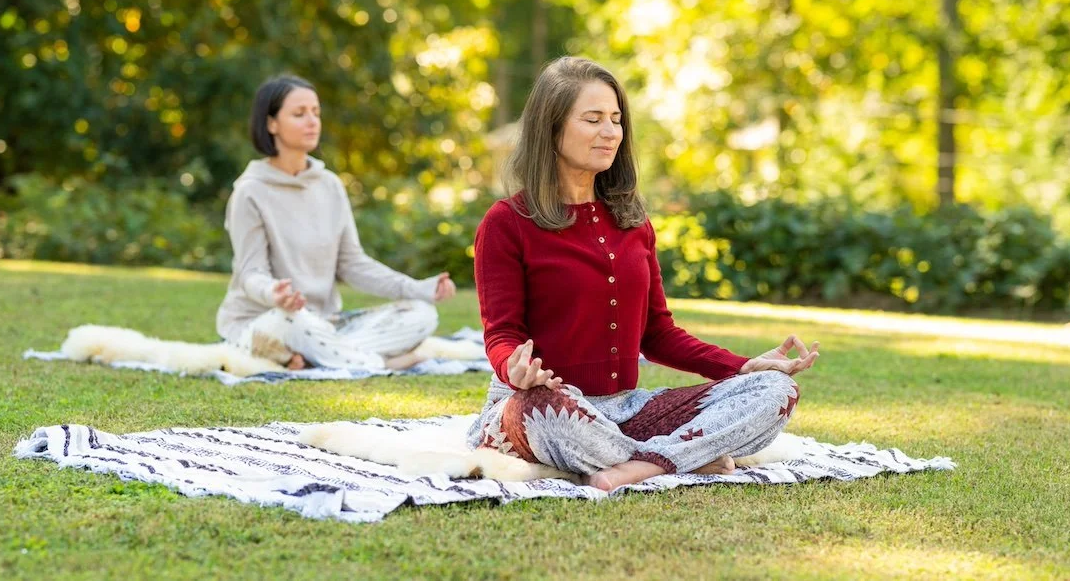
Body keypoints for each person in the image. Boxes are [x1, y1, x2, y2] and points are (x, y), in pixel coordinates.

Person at [467, 57, 819, 490]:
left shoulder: (632, 222)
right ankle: (688, 455)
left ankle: (647, 462)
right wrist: (513, 369)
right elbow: (501, 335)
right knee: (543, 410)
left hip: (628, 410)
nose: (610, 131)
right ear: (551, 128)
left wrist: (742, 365)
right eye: (593, 119)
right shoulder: (507, 222)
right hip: (547, 409)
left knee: (773, 390)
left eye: (616, 119)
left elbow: (658, 334)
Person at [216, 74, 457, 371]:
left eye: (316, 112)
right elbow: (250, 273)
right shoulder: (250, 191)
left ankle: (315, 359)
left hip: (325, 325)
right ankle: (383, 363)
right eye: (299, 114)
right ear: (271, 124)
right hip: (270, 321)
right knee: (293, 323)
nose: (312, 121)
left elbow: (352, 264)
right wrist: (274, 294)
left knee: (422, 314)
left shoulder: (329, 185)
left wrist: (417, 289)